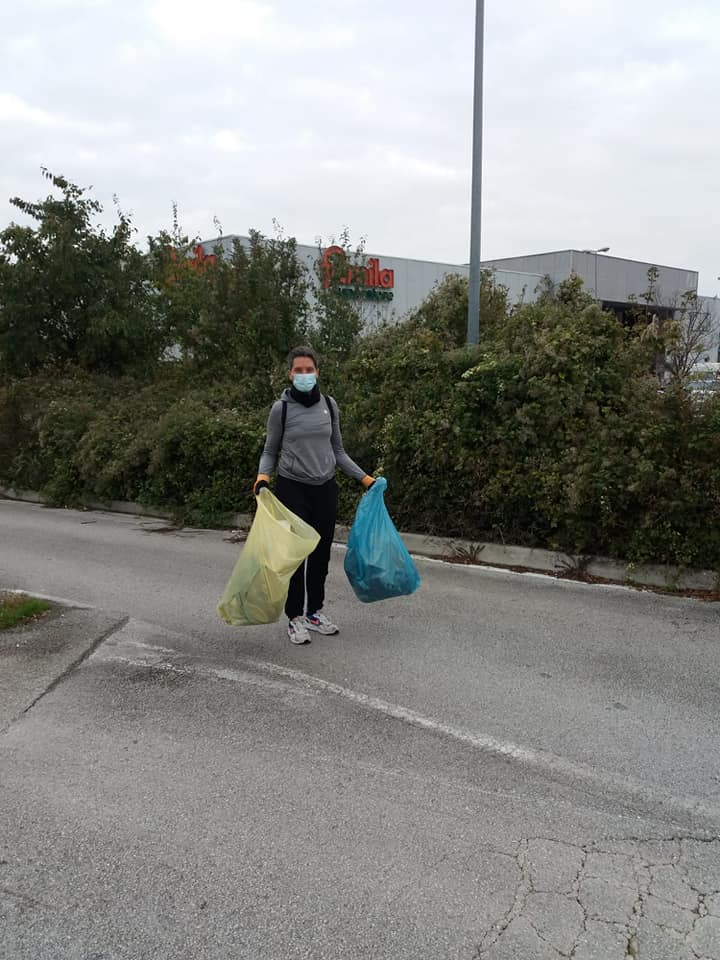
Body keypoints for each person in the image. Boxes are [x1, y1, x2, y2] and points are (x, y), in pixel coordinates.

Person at [254, 346, 374, 644]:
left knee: (320, 554)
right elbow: (270, 450)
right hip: (293, 488)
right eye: (299, 370)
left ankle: (314, 612)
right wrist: (262, 477)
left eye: (310, 370)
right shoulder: (280, 409)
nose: (305, 375)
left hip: (325, 488)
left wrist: (365, 478)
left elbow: (338, 451)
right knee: (295, 556)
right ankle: (294, 617)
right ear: (290, 374)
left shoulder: (329, 405)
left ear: (317, 372)